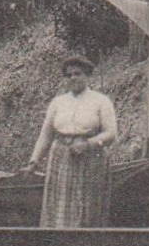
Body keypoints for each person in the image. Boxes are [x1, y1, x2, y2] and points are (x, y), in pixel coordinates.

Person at [22, 55, 117, 228]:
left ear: (87, 75)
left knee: (86, 206)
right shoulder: (58, 102)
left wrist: (88, 144)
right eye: (69, 75)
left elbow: (111, 133)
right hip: (61, 158)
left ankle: (84, 242)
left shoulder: (101, 101)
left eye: (77, 73)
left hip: (91, 159)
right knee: (59, 206)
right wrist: (33, 162)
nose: (73, 77)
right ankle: (57, 239)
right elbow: (46, 135)